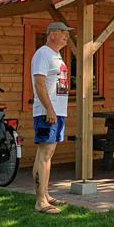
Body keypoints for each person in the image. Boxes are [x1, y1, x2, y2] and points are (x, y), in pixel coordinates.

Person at [31, 21, 73, 214]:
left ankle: (46, 194)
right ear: (52, 34)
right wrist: (49, 109)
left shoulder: (57, 55)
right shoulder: (43, 54)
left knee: (50, 154)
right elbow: (39, 84)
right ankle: (40, 202)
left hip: (58, 111)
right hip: (47, 112)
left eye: (67, 33)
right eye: (63, 32)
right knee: (44, 153)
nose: (67, 35)